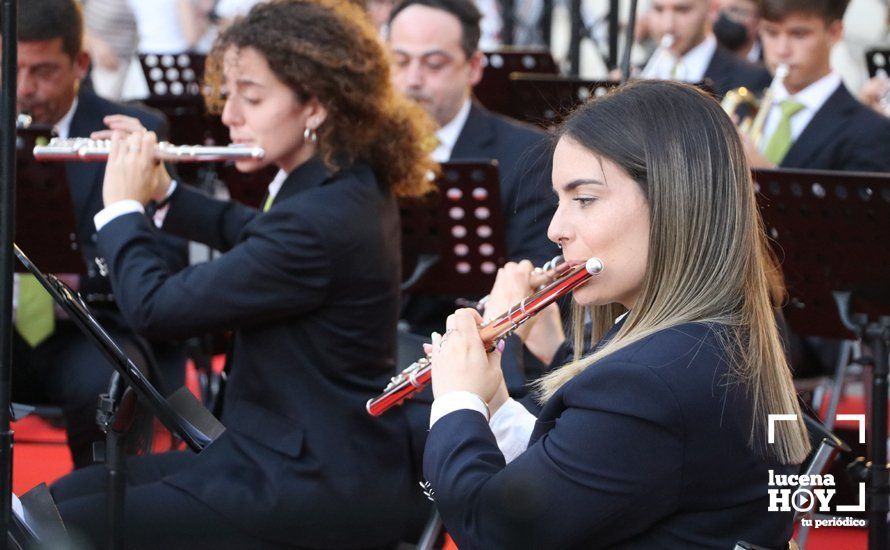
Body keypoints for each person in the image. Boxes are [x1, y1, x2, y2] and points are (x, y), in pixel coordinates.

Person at [50, 0, 436, 547]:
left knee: (63, 524)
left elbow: (156, 309)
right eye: (230, 94)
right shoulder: (337, 182)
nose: (229, 115)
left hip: (308, 485)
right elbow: (255, 233)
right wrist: (165, 193)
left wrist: (121, 209)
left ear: (316, 106)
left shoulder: (320, 219)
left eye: (250, 97)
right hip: (282, 454)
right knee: (61, 498)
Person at [423, 81, 811, 548]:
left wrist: (455, 400)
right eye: (559, 201)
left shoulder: (652, 379)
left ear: (673, 200)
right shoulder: (699, 337)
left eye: (583, 199)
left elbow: (494, 530)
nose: (555, 229)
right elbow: (583, 470)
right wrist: (496, 404)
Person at [11, 0, 187, 469]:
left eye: (44, 71)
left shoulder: (136, 131)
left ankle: (92, 517)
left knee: (105, 388)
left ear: (80, 64)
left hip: (91, 328)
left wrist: (77, 277)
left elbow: (166, 257)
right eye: (14, 69)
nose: (25, 89)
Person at [387, 0, 558, 338]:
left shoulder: (528, 154)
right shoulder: (359, 147)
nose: (412, 80)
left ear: (474, 67)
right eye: (400, 61)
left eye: (434, 64)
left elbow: (537, 273)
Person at [745, 0, 890, 171]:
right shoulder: (742, 100)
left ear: (834, 33)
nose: (782, 50)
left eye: (799, 35)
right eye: (771, 32)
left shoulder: (871, 131)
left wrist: (764, 173)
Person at [643, 0, 771, 97]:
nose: (668, 26)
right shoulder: (638, 71)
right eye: (658, 9)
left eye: (682, 10)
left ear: (712, 10)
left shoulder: (752, 77)